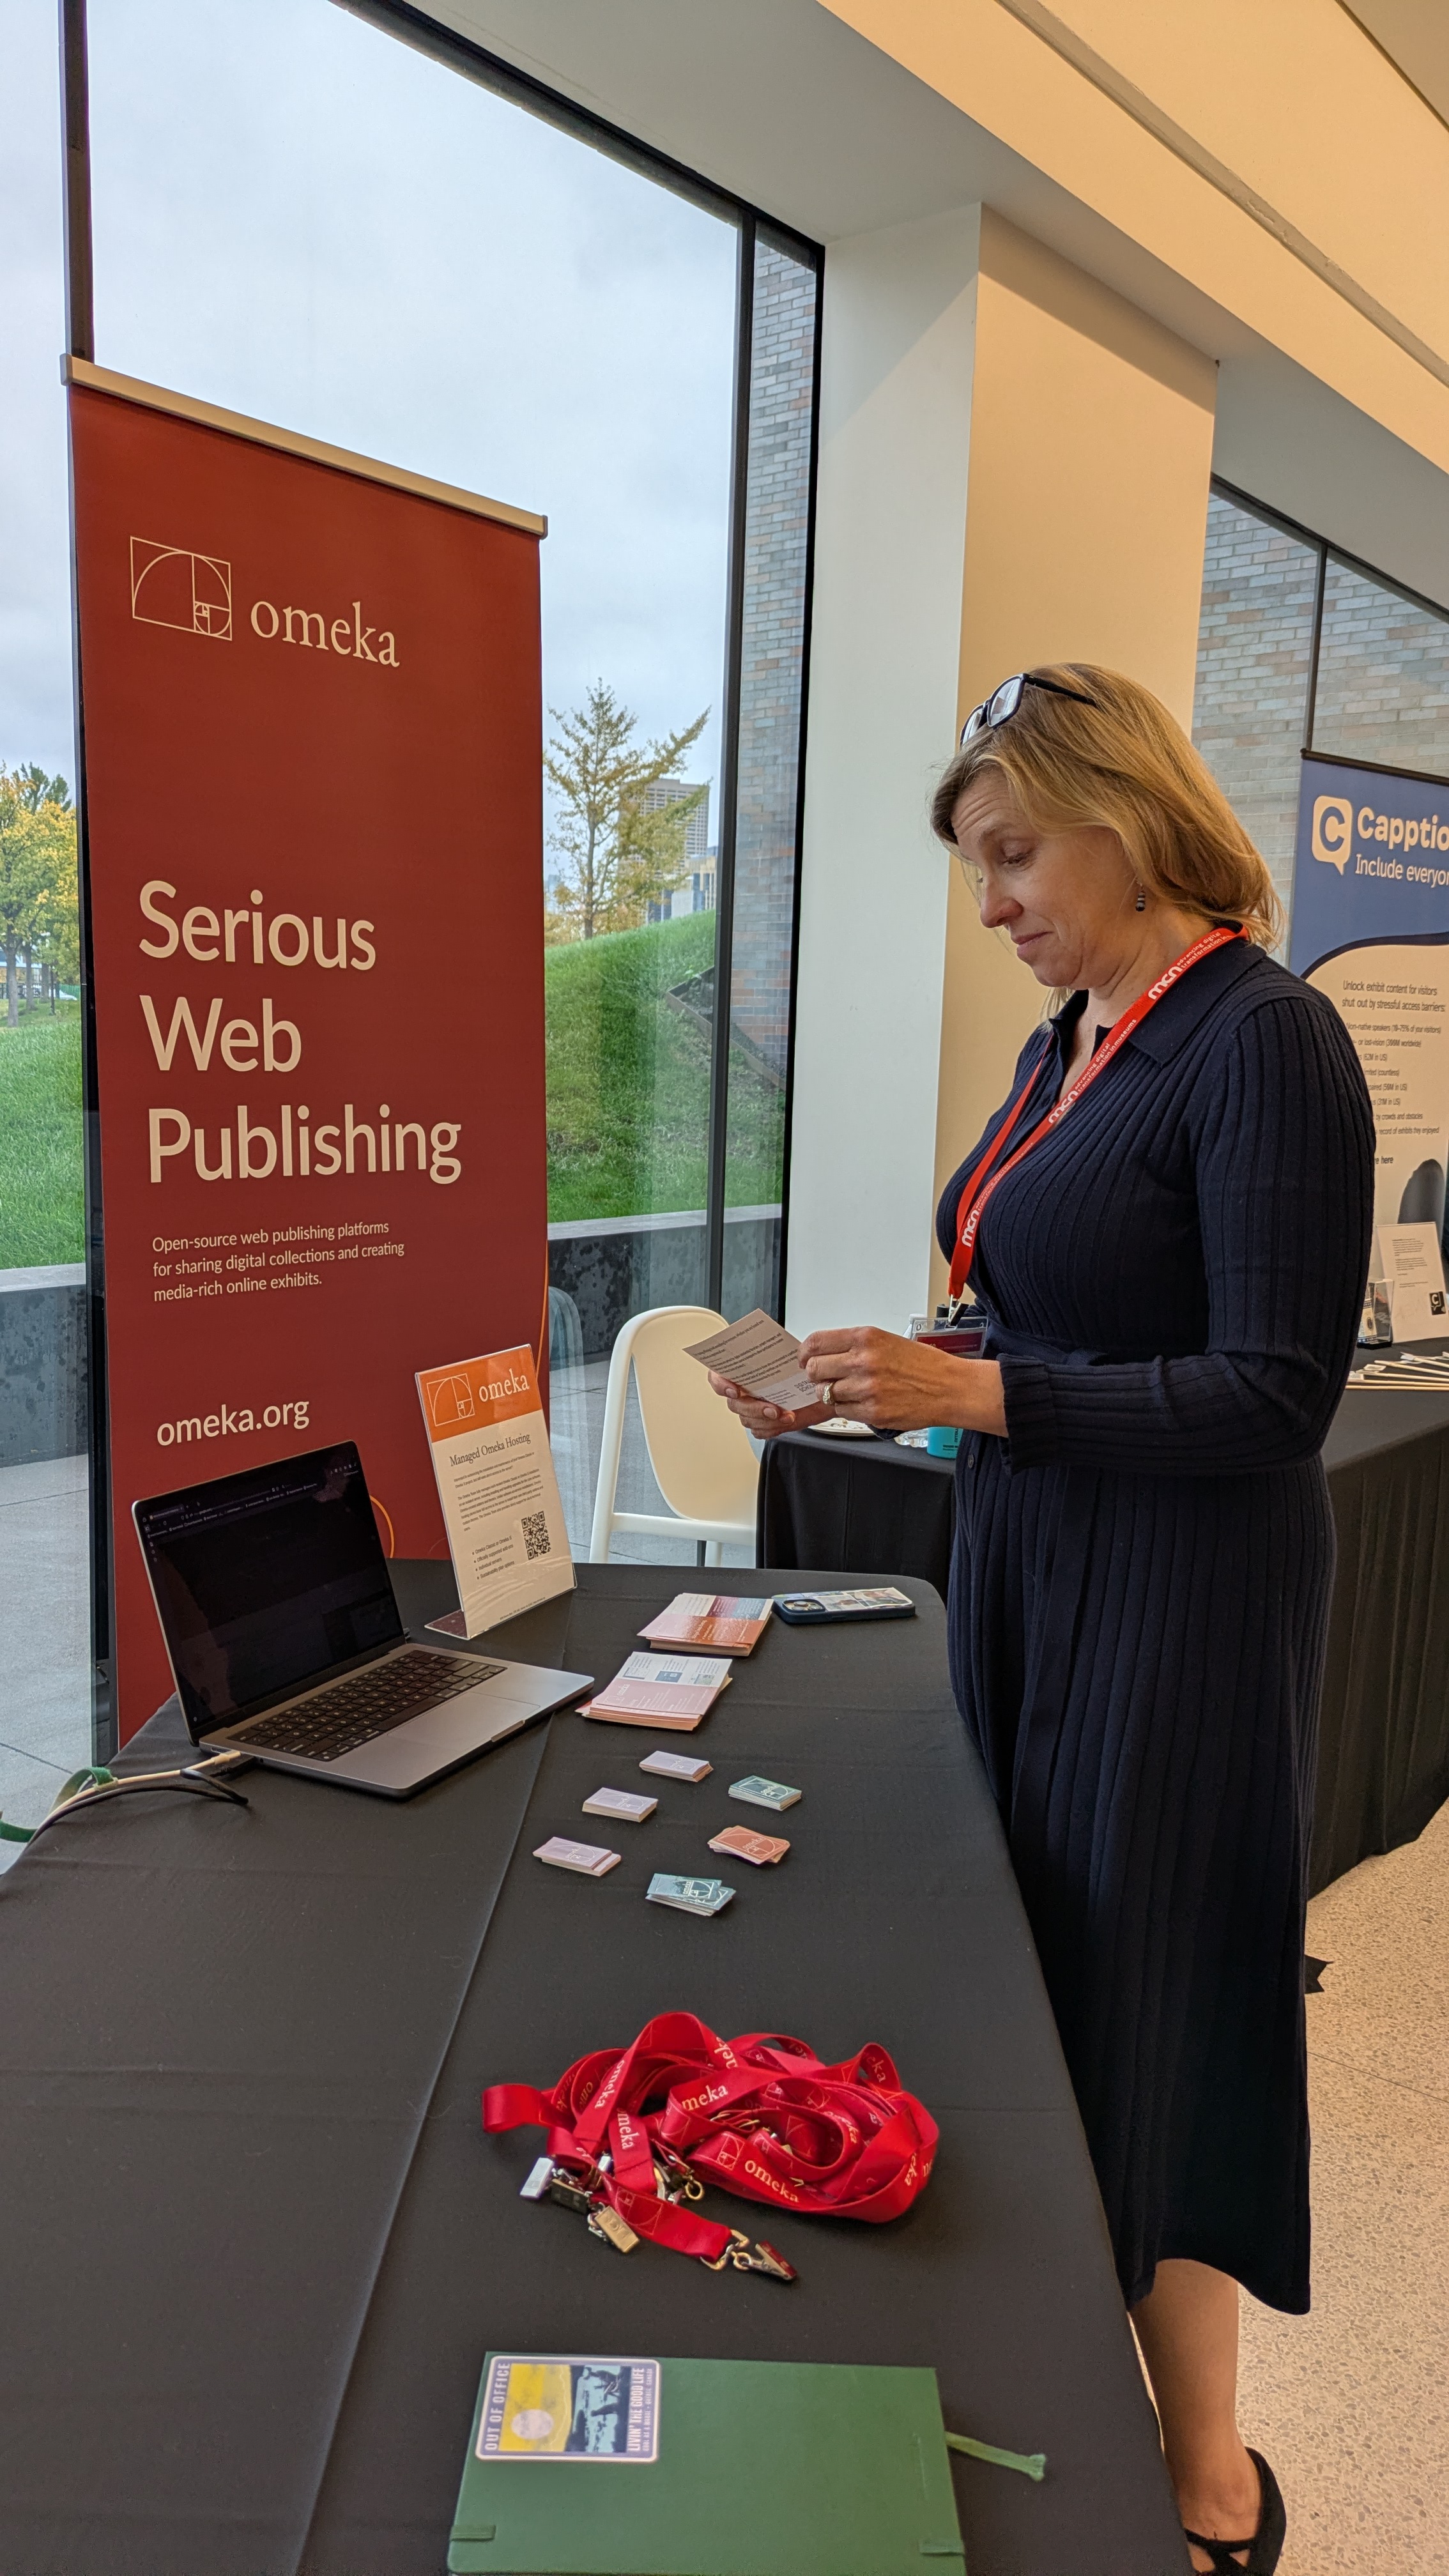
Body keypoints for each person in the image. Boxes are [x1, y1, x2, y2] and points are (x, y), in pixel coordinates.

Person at [709, 664, 1373, 2575]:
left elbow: (1269, 1393)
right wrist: (875, 1377)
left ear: (1127, 819)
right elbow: (1044, 1313)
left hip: (1174, 1608)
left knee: (1152, 2005)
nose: (989, 901)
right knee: (1040, 1985)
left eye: (1011, 855)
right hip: (1026, 1568)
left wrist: (984, 1395)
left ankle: (1209, 2478)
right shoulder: (1072, 1036)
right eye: (972, 868)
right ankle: (1045, 2374)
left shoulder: (1261, 1042)